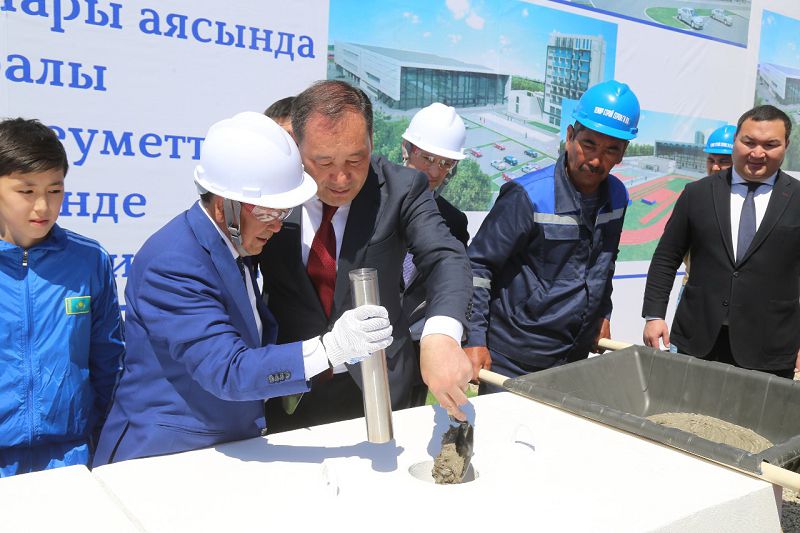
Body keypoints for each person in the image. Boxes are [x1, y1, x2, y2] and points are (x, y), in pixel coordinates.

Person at [93, 112, 393, 464]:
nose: (278, 226)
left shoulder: (233, 246)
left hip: (222, 445)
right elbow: (228, 370)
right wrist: (330, 349)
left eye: (283, 212)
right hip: (165, 456)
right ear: (225, 207)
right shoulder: (173, 264)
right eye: (268, 213)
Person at [258, 81, 474, 433]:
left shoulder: (401, 188)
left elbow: (445, 257)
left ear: (371, 142)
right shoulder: (272, 187)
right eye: (324, 162)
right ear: (297, 148)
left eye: (355, 160)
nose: (341, 177)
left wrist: (442, 333)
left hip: (376, 382)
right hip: (291, 382)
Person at [464, 80, 640, 389]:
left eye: (611, 150)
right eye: (589, 144)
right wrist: (474, 338)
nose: (596, 160)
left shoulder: (617, 196)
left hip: (573, 356)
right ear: (570, 137)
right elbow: (478, 265)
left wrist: (603, 313)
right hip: (514, 358)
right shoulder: (528, 196)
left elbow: (605, 262)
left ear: (622, 153)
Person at [0, 118, 124, 476]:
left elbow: (109, 361)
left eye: (54, 190)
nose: (43, 206)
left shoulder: (88, 260)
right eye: (26, 191)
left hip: (70, 457)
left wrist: (105, 444)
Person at [643, 105, 800, 378]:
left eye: (770, 144)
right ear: (735, 140)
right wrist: (654, 315)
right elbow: (666, 257)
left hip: (771, 348)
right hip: (698, 340)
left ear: (785, 145)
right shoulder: (697, 193)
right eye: (749, 142)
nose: (757, 153)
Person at [400, 103, 469, 340]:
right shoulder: (372, 203)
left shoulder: (454, 222)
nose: (435, 172)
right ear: (406, 148)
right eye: (427, 158)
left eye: (446, 163)